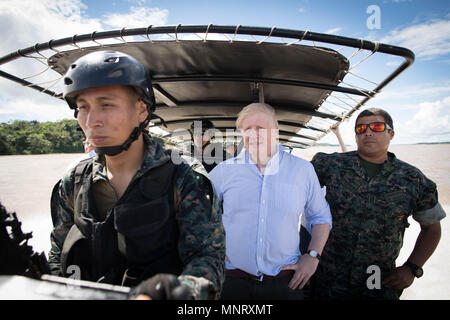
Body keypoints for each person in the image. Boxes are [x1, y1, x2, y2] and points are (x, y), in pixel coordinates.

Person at [48, 51, 225, 300]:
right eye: (83, 108)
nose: (91, 121)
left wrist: (172, 293)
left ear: (141, 111)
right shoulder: (74, 182)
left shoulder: (184, 176)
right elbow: (57, 252)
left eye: (106, 105)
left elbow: (208, 258)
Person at [310, 107, 446, 299]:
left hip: (378, 281)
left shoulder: (413, 179)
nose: (368, 131)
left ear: (391, 133)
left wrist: (412, 267)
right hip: (328, 276)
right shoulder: (330, 165)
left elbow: (432, 229)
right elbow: (291, 187)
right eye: (361, 128)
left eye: (376, 126)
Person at [209, 102, 332, 300]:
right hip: (232, 281)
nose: (254, 134)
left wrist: (312, 256)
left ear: (275, 131)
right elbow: (198, 212)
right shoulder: (225, 171)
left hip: (284, 282)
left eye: (261, 128)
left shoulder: (302, 170)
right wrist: (211, 247)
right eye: (248, 129)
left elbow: (320, 216)